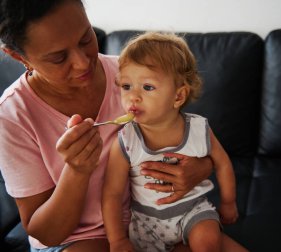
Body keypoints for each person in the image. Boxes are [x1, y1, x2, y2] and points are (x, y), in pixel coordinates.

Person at [0, 0, 213, 251]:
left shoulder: (132, 75)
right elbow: (47, 233)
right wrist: (77, 172)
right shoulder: (12, 116)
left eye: (85, 39)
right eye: (58, 58)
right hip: (79, 238)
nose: (82, 63)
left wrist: (201, 167)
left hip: (153, 219)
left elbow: (186, 140)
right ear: (18, 56)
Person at [102, 32, 247, 252]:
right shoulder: (126, 140)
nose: (133, 97)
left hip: (193, 212)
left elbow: (223, 163)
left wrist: (228, 202)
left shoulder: (198, 129)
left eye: (147, 87)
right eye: (126, 86)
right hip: (146, 223)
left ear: (178, 97)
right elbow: (112, 193)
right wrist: (117, 240)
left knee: (208, 244)